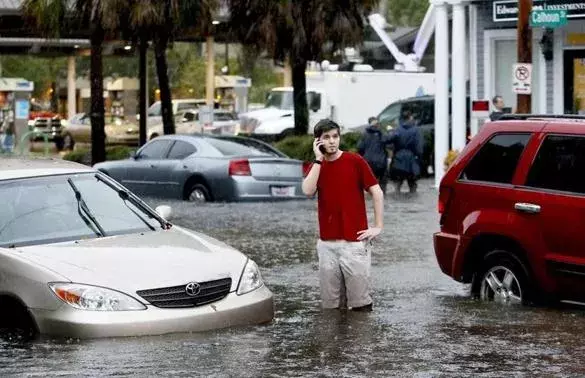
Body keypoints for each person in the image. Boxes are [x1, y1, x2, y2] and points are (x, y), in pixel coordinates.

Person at [302, 119, 384, 312]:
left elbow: (377, 192)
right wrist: (318, 159)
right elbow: (307, 190)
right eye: (327, 137)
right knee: (330, 307)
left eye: (335, 136)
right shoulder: (317, 166)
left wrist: (378, 226)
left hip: (354, 244)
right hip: (327, 245)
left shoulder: (355, 161)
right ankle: (335, 343)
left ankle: (358, 342)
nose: (332, 141)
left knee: (360, 305)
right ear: (318, 141)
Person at [387, 110, 423, 194]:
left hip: (398, 159)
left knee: (397, 184)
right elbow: (419, 146)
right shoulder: (416, 130)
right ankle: (413, 204)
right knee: (412, 184)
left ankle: (397, 202)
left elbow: (389, 140)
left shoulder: (397, 130)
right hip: (411, 159)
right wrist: (419, 158)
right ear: (410, 117)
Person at [357, 116, 391, 194]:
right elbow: (388, 142)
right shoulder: (381, 134)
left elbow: (360, 148)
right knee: (382, 185)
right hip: (381, 163)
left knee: (370, 184)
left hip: (368, 162)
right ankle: (382, 200)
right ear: (378, 124)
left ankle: (371, 199)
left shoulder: (364, 134)